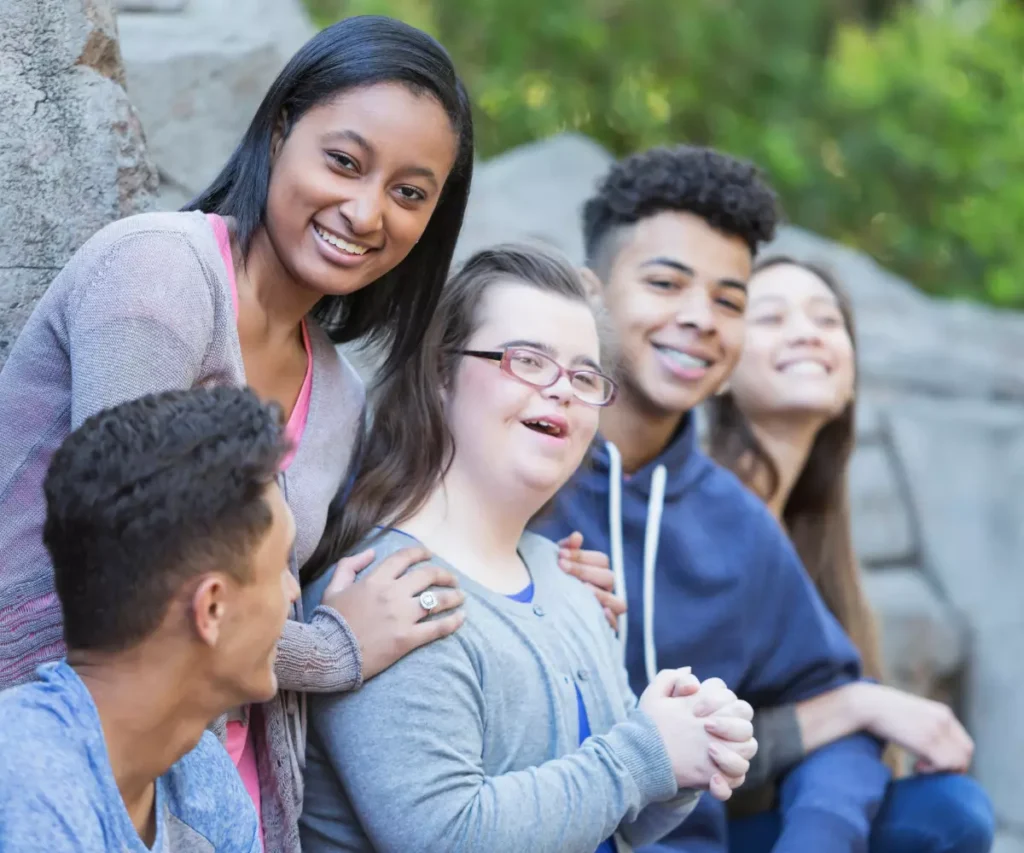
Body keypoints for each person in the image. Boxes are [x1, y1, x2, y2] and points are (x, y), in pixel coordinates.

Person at [0, 16, 472, 852]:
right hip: (65, 754)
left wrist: (562, 570)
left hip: (230, 793)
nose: (366, 212)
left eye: (410, 192)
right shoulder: (158, 277)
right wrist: (333, 652)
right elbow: (130, 578)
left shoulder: (338, 395)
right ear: (281, 126)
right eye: (344, 161)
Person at [299, 245, 759, 853]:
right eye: (528, 361)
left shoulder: (566, 579)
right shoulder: (390, 594)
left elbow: (617, 817)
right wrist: (646, 752)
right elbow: (446, 837)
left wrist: (685, 752)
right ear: (441, 373)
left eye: (585, 376)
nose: (562, 391)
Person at [531, 145, 894, 853]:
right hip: (532, 831)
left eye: (729, 299)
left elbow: (834, 701)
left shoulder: (737, 524)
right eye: (667, 283)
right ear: (592, 294)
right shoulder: (512, 464)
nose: (700, 317)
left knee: (947, 812)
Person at [705, 256, 995, 853]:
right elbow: (681, 745)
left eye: (826, 319)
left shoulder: (816, 537)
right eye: (771, 317)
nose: (807, 331)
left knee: (948, 807)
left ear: (853, 376)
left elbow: (843, 750)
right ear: (720, 370)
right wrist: (853, 706)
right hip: (672, 832)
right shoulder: (693, 518)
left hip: (775, 828)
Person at [0, 386, 294, 852]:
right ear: (211, 609)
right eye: (280, 569)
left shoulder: (203, 780)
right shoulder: (25, 782)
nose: (294, 592)